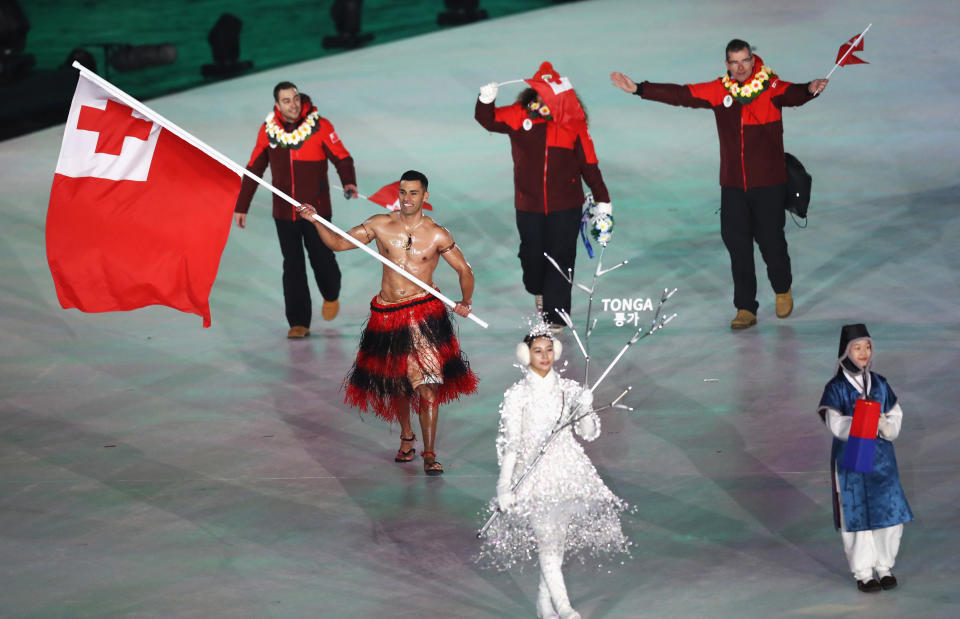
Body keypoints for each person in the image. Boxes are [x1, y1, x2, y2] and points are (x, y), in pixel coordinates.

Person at [611, 40, 829, 330]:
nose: (740, 67)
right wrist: (640, 89)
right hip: (733, 186)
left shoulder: (771, 88)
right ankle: (745, 307)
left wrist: (809, 88)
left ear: (753, 61)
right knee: (737, 246)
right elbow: (682, 94)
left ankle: (782, 288)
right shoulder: (719, 90)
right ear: (727, 64)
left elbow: (794, 93)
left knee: (772, 244)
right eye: (734, 62)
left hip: (768, 184)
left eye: (745, 61)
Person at [298, 170, 478, 475]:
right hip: (387, 314)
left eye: (414, 193)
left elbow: (464, 270)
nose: (407, 199)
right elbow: (339, 244)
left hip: (424, 313)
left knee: (428, 387)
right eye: (403, 192)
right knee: (398, 384)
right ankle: (407, 435)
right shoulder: (380, 224)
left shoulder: (437, 234)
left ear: (425, 197)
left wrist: (465, 302)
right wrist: (315, 220)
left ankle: (430, 454)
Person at [477, 323, 629, 618]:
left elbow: (587, 433)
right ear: (526, 355)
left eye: (549, 350)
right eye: (538, 351)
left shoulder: (569, 390)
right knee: (548, 542)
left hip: (569, 472)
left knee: (555, 544)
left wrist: (586, 407)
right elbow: (512, 444)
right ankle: (564, 607)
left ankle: (544, 606)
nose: (544, 356)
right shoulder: (517, 395)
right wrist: (504, 485)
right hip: (534, 477)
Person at [476, 61, 612, 331]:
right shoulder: (518, 116)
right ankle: (537, 288)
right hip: (529, 205)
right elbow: (488, 120)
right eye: (539, 90)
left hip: (566, 206)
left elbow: (589, 164)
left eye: (550, 90)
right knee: (531, 255)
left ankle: (556, 315)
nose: (544, 95)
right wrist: (485, 100)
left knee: (562, 257)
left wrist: (603, 200)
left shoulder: (573, 124)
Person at [233, 81, 359, 338]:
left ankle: (331, 294)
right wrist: (242, 205)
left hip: (317, 211)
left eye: (296, 98)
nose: (293, 104)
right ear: (277, 105)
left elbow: (342, 157)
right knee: (292, 266)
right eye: (287, 100)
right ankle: (298, 322)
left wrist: (348, 180)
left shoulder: (320, 126)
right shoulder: (268, 131)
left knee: (322, 258)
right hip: (284, 213)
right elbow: (255, 168)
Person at [816, 323, 913, 593]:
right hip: (852, 459)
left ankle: (884, 566)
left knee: (889, 512)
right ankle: (863, 572)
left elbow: (895, 415)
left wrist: (884, 425)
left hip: (882, 459)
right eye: (857, 347)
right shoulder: (836, 387)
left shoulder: (880, 383)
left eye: (867, 347)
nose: (863, 353)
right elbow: (835, 424)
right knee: (856, 514)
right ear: (845, 351)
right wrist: (862, 422)